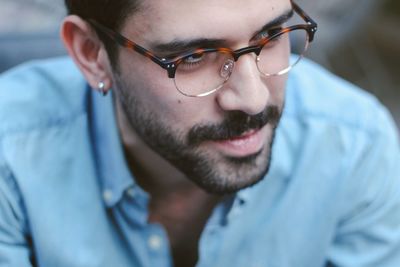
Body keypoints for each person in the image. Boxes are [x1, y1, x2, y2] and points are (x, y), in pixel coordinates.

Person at [0, 0, 399, 266]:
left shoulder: (353, 145)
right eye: (193, 57)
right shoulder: (12, 157)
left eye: (272, 37)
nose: (253, 99)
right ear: (91, 54)